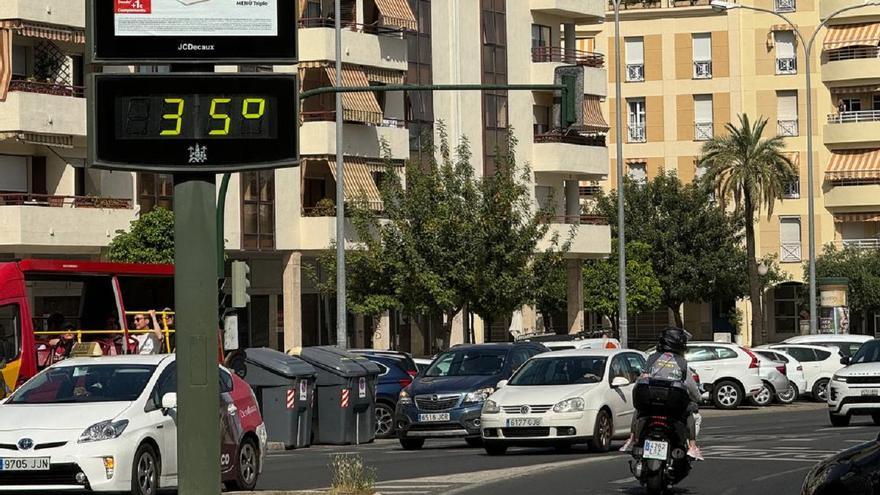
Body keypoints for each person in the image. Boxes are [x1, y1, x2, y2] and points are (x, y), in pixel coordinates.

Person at [620, 327, 704, 461]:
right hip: (673, 408)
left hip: (649, 404)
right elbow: (691, 387)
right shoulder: (681, 362)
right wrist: (698, 398)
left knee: (639, 410)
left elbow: (642, 378)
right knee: (692, 413)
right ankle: (692, 446)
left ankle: (631, 439)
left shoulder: (652, 358)